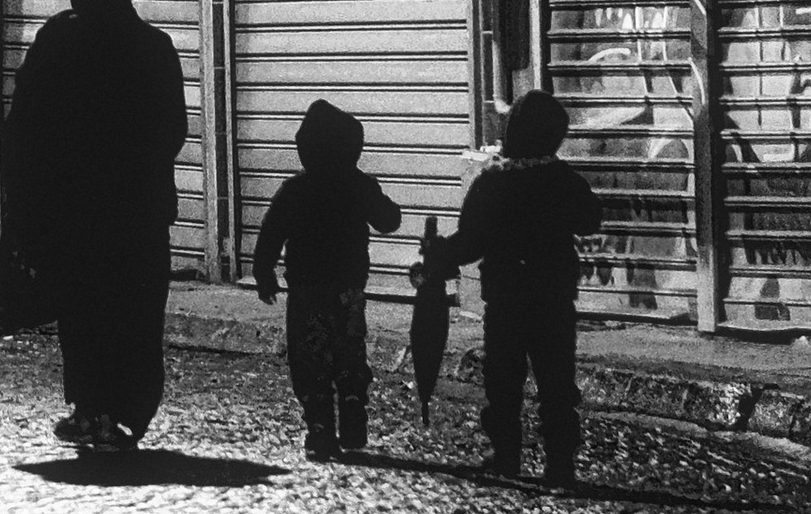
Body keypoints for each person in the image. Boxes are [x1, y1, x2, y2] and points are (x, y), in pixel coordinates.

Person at [3, 0, 191, 457]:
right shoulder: (154, 47)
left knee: (83, 313)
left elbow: (25, 126)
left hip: (73, 210)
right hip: (137, 212)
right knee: (135, 315)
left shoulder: (58, 39)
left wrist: (27, 201)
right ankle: (126, 414)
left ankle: (90, 410)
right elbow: (172, 130)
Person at [425, 88, 600, 486]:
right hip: (553, 299)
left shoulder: (493, 182)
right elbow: (591, 219)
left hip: (505, 300)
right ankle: (559, 464)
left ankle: (506, 456)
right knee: (557, 383)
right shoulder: (562, 180)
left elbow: (469, 242)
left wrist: (439, 257)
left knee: (503, 383)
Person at [251, 99, 402, 461]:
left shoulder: (295, 190)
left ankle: (320, 428)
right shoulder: (359, 185)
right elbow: (388, 220)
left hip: (305, 292)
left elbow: (271, 234)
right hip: (348, 290)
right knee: (350, 353)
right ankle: (352, 409)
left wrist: (263, 273)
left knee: (309, 360)